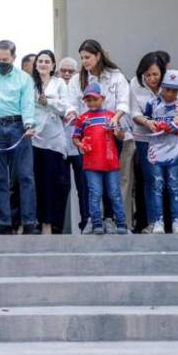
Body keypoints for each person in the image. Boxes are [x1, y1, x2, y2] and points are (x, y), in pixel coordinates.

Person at [67, 40, 131, 234]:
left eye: (87, 57)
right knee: (88, 182)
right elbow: (71, 104)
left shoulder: (115, 76)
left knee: (111, 183)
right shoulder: (77, 79)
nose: (84, 61)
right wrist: (71, 114)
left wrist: (114, 120)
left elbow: (123, 103)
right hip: (87, 139)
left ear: (98, 56)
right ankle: (90, 219)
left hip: (111, 136)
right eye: (82, 58)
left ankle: (110, 219)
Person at [130, 51, 178, 233]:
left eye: (155, 74)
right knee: (153, 180)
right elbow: (134, 112)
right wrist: (147, 122)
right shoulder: (136, 84)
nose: (151, 78)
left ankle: (176, 221)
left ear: (163, 71)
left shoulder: (174, 80)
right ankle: (155, 222)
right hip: (148, 139)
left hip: (174, 141)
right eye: (147, 74)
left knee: (174, 180)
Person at [0, 40, 37, 234]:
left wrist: (29, 125)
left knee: (25, 176)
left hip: (19, 127)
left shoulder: (24, 78)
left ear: (13, 57)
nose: (1, 62)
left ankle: (28, 222)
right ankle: (4, 223)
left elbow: (28, 103)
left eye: (5, 59)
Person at [72, 82, 129, 235]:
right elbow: (76, 137)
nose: (92, 103)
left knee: (114, 193)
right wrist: (80, 145)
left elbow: (122, 136)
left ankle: (122, 224)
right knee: (95, 194)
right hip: (91, 164)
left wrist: (118, 133)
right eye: (88, 100)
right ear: (84, 101)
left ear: (102, 98)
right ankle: (97, 223)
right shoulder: (83, 119)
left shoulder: (111, 116)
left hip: (111, 162)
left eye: (94, 99)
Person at [144, 70, 178, 234]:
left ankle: (177, 221)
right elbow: (146, 123)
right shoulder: (152, 104)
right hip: (155, 151)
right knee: (156, 186)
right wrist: (153, 125)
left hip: (174, 151)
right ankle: (158, 222)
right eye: (167, 89)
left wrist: (174, 128)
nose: (170, 93)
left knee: (174, 186)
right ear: (162, 88)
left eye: (174, 90)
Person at [30, 50, 70, 234]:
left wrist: (49, 102)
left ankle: (53, 224)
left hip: (54, 140)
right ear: (36, 64)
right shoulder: (29, 84)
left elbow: (66, 107)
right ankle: (40, 223)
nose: (44, 64)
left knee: (55, 183)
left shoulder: (59, 83)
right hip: (34, 138)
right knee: (38, 183)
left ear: (53, 65)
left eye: (47, 61)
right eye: (40, 61)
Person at [56, 57, 89, 233]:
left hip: (80, 144)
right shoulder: (55, 87)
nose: (67, 74)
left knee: (84, 188)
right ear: (58, 72)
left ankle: (86, 224)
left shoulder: (82, 85)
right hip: (60, 145)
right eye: (63, 71)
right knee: (61, 188)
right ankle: (57, 227)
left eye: (71, 71)